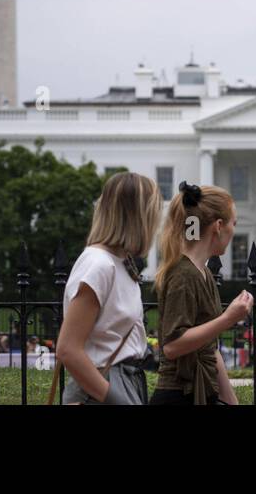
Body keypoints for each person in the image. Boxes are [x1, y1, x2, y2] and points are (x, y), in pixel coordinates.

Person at [55, 170, 162, 404]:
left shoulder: (121, 263)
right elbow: (68, 349)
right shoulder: (99, 265)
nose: (156, 223)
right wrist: (116, 399)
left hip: (126, 381)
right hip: (104, 386)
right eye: (153, 214)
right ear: (137, 216)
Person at [149, 181, 252, 405]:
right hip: (178, 396)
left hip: (202, 392)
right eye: (233, 223)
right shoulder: (183, 275)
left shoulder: (203, 273)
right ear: (218, 225)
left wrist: (232, 401)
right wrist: (228, 318)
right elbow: (172, 346)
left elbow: (209, 350)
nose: (234, 230)